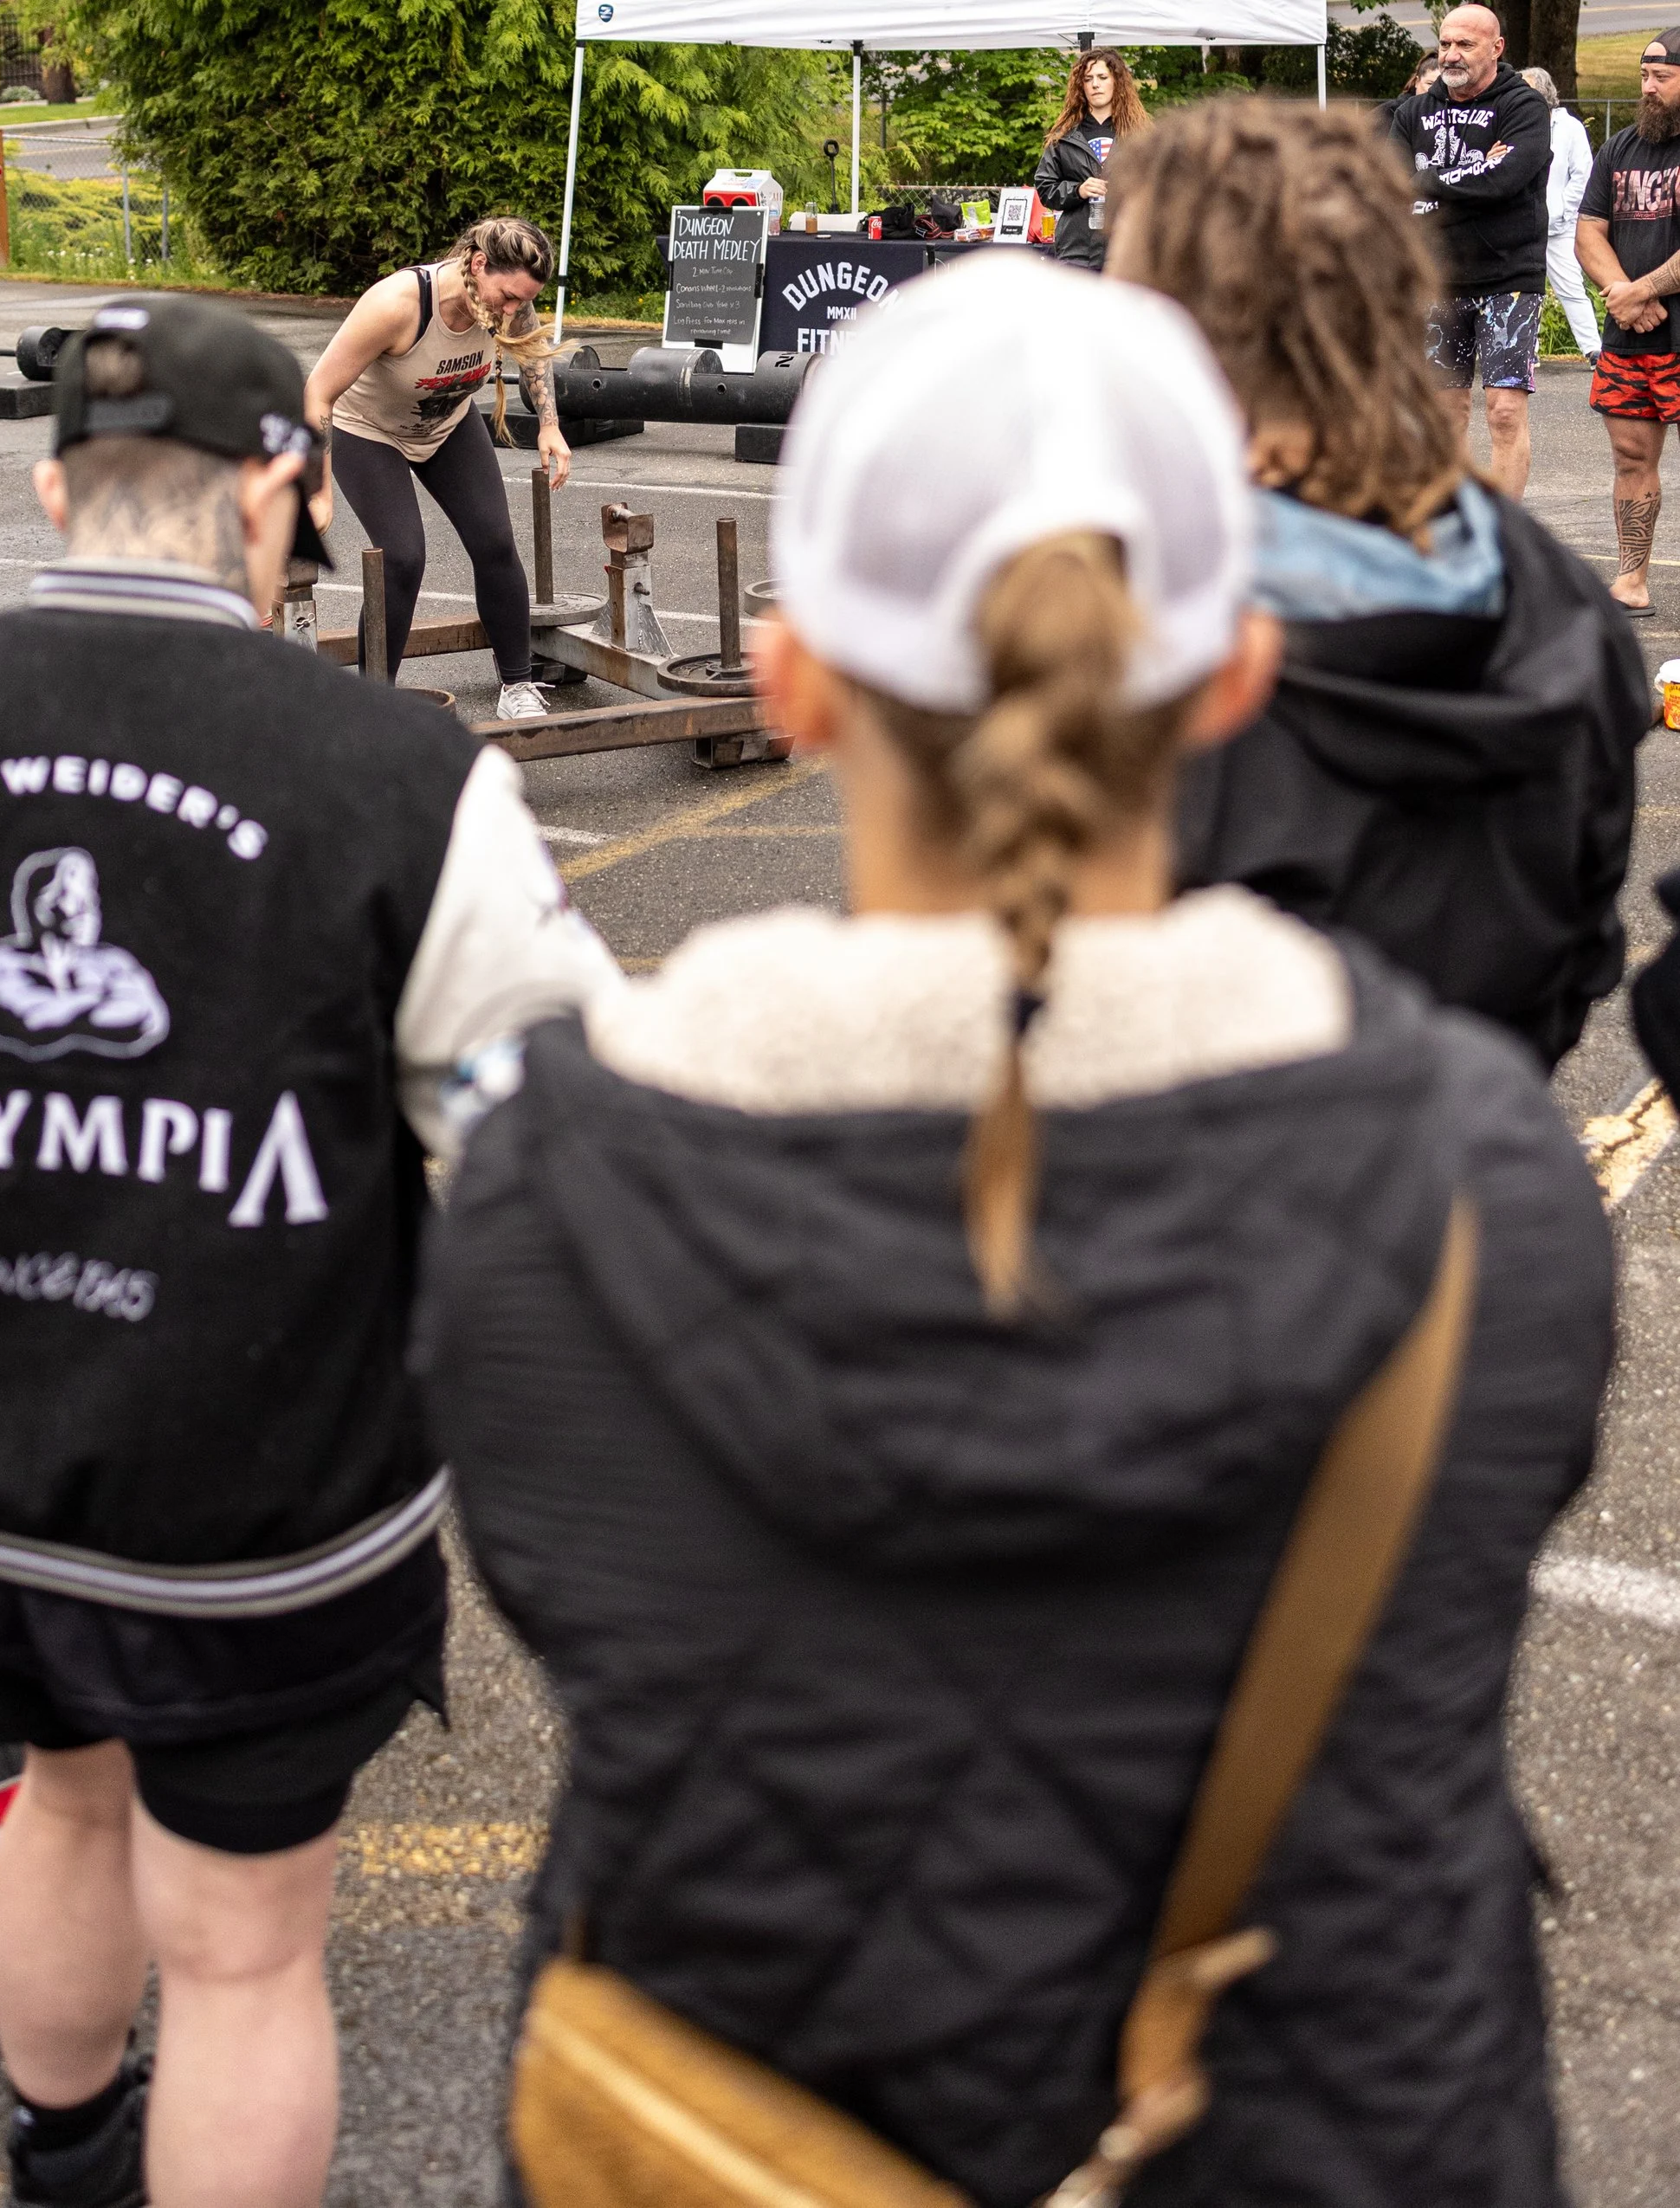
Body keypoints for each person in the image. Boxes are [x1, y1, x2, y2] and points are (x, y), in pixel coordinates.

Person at [423, 253, 1611, 2208]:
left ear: (790, 683)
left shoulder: (546, 1201)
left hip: (735, 2124)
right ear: (1233, 667)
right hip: (1342, 2128)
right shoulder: (1483, 1181)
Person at [0, 295, 612, 2208]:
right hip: (264, 1498)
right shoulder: (402, 779)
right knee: (244, 1947)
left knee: (58, 1791)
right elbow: (540, 1128)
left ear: (52, 487)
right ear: (283, 483)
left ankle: (65, 2164)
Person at [1111, 96, 1649, 1069]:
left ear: (1167, 310)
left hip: (1193, 1162)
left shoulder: (1128, 612)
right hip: (1474, 1139)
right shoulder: (1562, 608)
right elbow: (1580, 941)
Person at [304, 217, 567, 720]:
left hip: (445, 424)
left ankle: (517, 685)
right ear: (478, 264)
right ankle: (373, 704)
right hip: (370, 431)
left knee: (494, 542)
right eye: (507, 296)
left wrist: (549, 425)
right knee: (402, 557)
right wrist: (318, 489)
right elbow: (318, 391)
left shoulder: (511, 300)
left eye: (521, 301)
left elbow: (533, 353)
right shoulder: (397, 304)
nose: (512, 309)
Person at [1382, 3, 1550, 498]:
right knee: (1445, 413)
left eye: (1465, 45)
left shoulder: (1522, 108)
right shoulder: (1414, 110)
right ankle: (1455, 528)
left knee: (1503, 411)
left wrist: (1429, 185)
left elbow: (1507, 181)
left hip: (1508, 280)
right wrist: (1470, 173)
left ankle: (1503, 536)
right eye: (1445, 44)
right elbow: (1391, 187)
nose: (1451, 55)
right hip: (1438, 279)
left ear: (1496, 49)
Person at [1573, 29, 1680, 610]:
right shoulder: (1620, 149)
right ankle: (1632, 580)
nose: (1648, 87)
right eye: (1644, 76)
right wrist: (1622, 294)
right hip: (1633, 341)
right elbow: (1587, 231)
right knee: (1631, 458)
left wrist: (1639, 289)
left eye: (1661, 77)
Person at [1031, 46, 1147, 268]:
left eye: (1103, 77)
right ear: (1080, 86)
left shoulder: (1138, 137)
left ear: (1116, 82)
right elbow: (1045, 187)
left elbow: (1155, 189)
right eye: (1088, 79)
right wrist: (1078, 190)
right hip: (1076, 252)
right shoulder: (1064, 136)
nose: (1095, 84)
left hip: (1123, 251)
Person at [1522, 65, 1599, 361]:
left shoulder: (1570, 128)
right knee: (1528, 289)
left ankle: (1593, 349)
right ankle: (1529, 350)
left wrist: (1563, 214)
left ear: (1543, 94)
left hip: (1560, 226)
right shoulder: (1519, 124)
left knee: (1570, 286)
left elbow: (1581, 175)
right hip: (1525, 224)